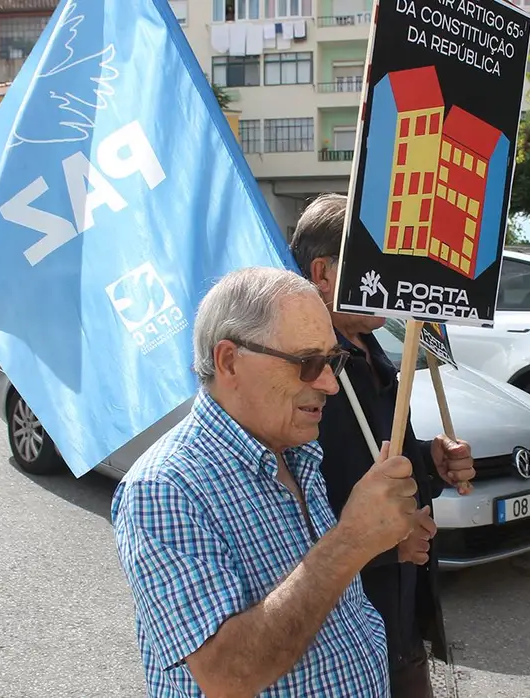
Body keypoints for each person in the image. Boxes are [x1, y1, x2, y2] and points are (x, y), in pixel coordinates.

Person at [111, 266, 421, 697]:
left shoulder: (296, 451)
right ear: (229, 360)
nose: (330, 383)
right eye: (308, 363)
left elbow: (318, 593)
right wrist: (351, 540)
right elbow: (226, 675)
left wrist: (377, 538)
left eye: (333, 360)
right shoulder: (166, 487)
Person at [290, 193, 477, 698]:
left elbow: (386, 464)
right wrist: (384, 544)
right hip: (344, 638)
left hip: (400, 623)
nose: (390, 284)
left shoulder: (373, 353)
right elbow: (288, 517)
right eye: (375, 266)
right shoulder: (302, 372)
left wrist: (432, 465)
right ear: (323, 273)